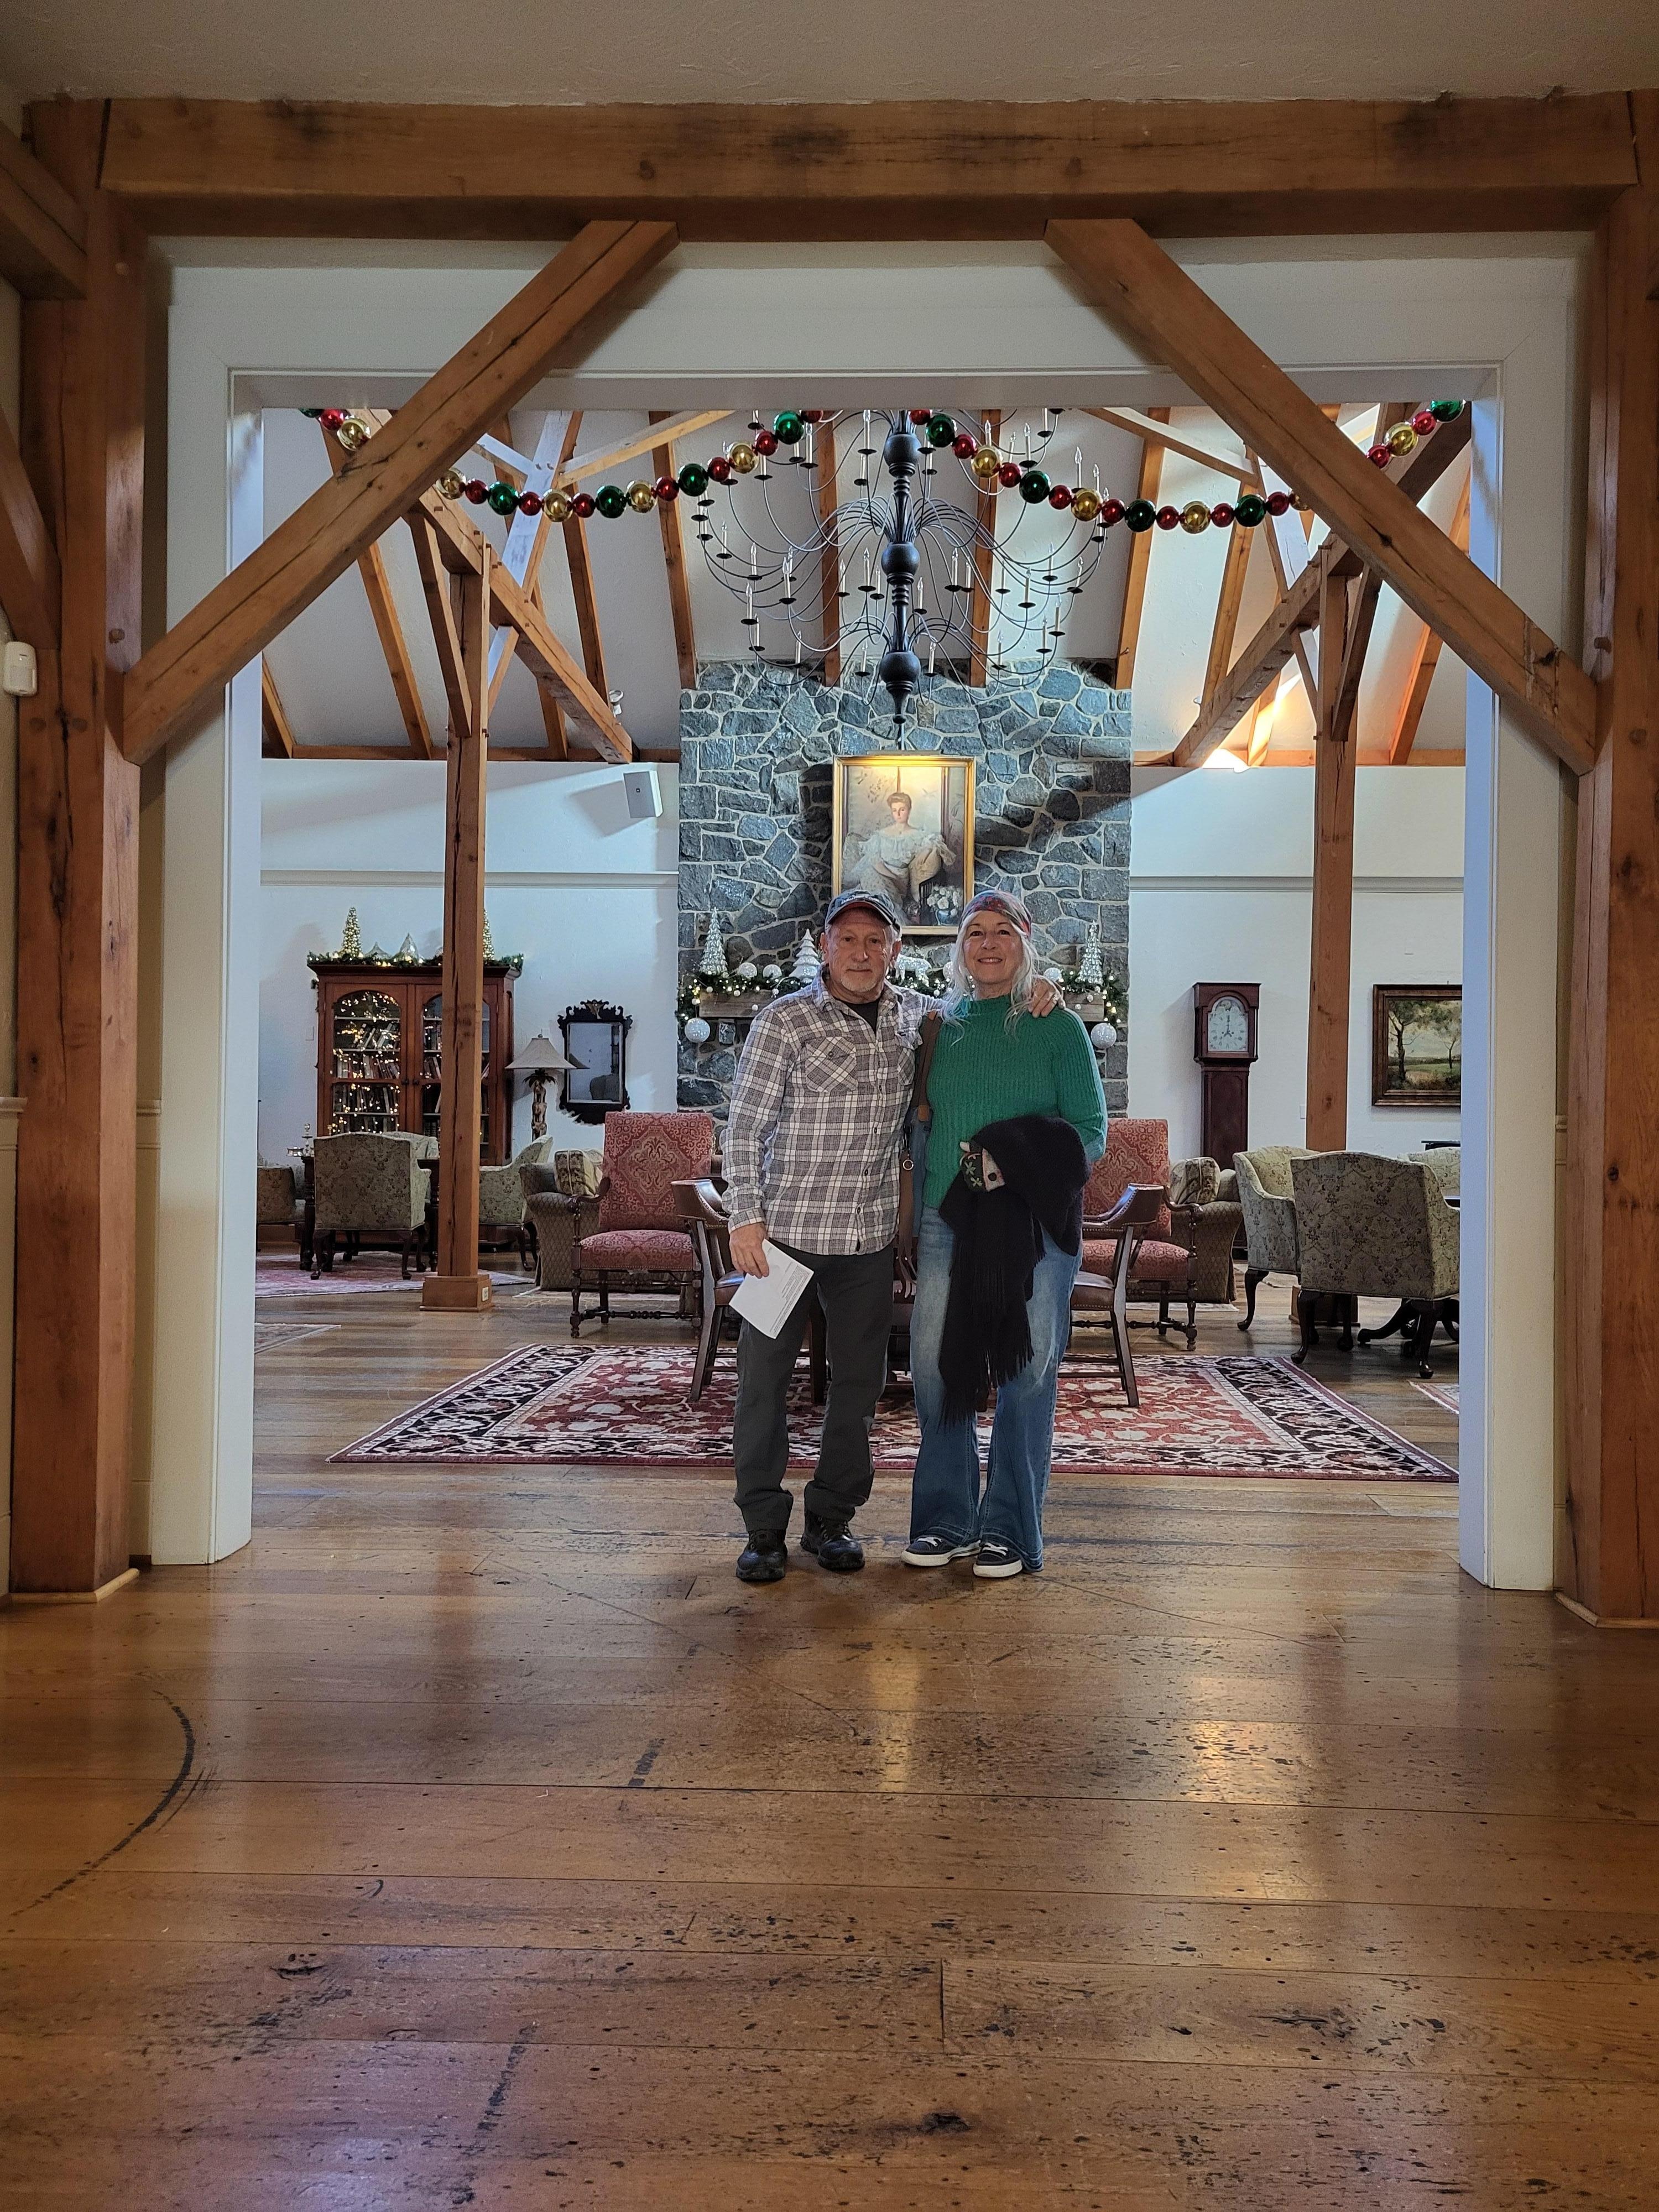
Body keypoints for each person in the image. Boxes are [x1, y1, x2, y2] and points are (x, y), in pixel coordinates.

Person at [722, 889, 1059, 1585]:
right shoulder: (782, 1022)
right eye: (848, 940)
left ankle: (831, 1520)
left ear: (897, 951)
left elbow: (988, 1006)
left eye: (877, 941)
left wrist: (1041, 989)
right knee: (762, 1383)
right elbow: (745, 1129)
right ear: (823, 946)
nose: (862, 953)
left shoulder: (920, 1019)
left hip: (867, 1243)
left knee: (860, 1387)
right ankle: (762, 1527)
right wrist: (744, 1218)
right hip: (781, 1239)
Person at [903, 890, 1107, 1580]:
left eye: (1002, 932)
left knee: (1026, 1370)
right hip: (945, 1221)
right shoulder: (937, 1026)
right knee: (934, 1371)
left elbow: (1090, 1133)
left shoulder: (1059, 1027)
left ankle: (1011, 1531)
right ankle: (944, 1521)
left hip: (1033, 1226)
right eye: (974, 933)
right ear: (959, 947)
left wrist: (1009, 1162)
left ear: (1026, 942)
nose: (987, 944)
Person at [845, 789, 954, 925]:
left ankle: (886, 921)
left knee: (879, 886)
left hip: (900, 882)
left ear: (909, 810)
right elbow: (875, 862)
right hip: (882, 874)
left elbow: (934, 841)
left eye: (902, 809)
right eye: (894, 810)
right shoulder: (882, 835)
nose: (898, 814)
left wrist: (926, 850)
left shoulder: (916, 835)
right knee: (870, 874)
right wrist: (892, 877)